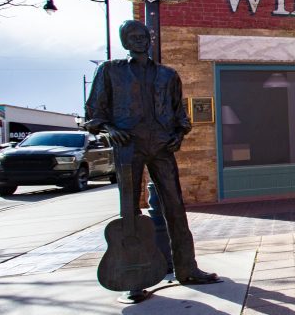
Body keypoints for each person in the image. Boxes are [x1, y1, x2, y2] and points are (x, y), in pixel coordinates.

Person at [85, 20, 219, 295]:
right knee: (129, 210)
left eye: (143, 35)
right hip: (128, 144)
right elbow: (94, 111)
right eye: (133, 37)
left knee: (175, 206)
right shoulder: (110, 71)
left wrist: (179, 134)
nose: (140, 40)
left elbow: (180, 113)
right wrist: (110, 129)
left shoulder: (168, 75)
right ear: (125, 42)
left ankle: (187, 268)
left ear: (150, 39)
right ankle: (133, 279)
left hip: (161, 145)